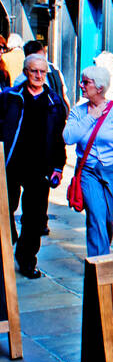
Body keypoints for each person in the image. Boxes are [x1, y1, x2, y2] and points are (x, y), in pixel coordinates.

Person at [0, 52, 67, 277]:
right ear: (25, 72)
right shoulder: (11, 97)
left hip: (40, 168)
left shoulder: (54, 102)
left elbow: (59, 138)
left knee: (35, 218)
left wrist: (58, 166)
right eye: (33, 71)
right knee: (4, 211)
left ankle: (27, 259)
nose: (38, 75)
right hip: (11, 166)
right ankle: (8, 248)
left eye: (42, 72)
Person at [63, 66, 113, 259]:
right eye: (82, 81)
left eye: (86, 82)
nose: (81, 85)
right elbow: (68, 137)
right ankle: (100, 265)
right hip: (88, 172)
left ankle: (102, 256)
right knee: (95, 218)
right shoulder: (79, 112)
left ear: (100, 87)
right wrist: (91, 118)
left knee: (110, 219)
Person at [13, 40, 71, 110]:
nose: (39, 76)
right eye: (34, 70)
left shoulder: (54, 70)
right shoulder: (21, 80)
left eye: (42, 59)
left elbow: (63, 95)